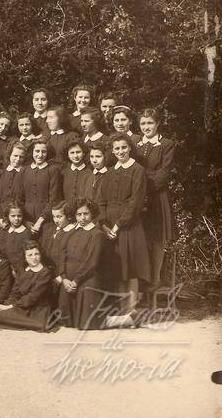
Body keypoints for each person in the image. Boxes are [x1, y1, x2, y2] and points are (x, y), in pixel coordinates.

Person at [98, 133, 150, 322]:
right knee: (118, 268)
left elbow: (135, 203)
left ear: (129, 148)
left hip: (128, 226)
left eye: (123, 147)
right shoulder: (110, 172)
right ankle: (121, 313)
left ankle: (131, 311)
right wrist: (104, 225)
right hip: (109, 228)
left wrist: (118, 225)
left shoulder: (138, 170)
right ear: (112, 151)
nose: (120, 151)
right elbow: (101, 201)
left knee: (131, 268)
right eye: (117, 148)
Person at [137, 108, 176, 289]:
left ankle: (156, 278)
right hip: (137, 196)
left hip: (157, 195)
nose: (146, 127)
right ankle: (143, 278)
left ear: (158, 123)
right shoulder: (136, 143)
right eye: (143, 123)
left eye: (150, 123)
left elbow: (164, 173)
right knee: (141, 236)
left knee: (157, 238)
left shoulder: (166, 144)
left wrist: (143, 187)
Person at [58, 199, 105, 330]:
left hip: (86, 280)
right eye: (79, 214)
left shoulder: (97, 234)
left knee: (88, 323)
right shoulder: (70, 233)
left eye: (86, 214)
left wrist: (76, 281)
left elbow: (92, 262)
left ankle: (125, 319)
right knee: (64, 322)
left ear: (92, 214)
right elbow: (62, 256)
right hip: (68, 281)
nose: (82, 218)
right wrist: (64, 278)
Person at [0, 241, 54, 332]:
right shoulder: (24, 271)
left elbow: (33, 297)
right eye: (30, 255)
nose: (34, 257)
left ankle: (37, 324)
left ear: (40, 255)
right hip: (23, 306)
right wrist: (5, 305)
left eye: (36, 254)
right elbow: (15, 292)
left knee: (0, 316)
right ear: (25, 257)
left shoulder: (45, 272)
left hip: (38, 309)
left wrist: (11, 306)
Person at [22, 140, 61, 245]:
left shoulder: (53, 170)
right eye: (37, 151)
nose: (40, 155)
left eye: (43, 152)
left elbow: (54, 199)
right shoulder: (24, 170)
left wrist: (40, 221)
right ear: (32, 151)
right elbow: (20, 197)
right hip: (27, 219)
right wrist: (25, 221)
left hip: (46, 219)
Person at [0, 141, 27, 229]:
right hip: (1, 219)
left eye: (21, 157)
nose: (18, 159)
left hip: (20, 219)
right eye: (15, 156)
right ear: (9, 155)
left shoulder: (26, 174)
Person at [0, 200, 30, 275]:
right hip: (6, 269)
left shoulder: (26, 233)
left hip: (22, 269)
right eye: (13, 216)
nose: (16, 219)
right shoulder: (4, 232)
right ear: (8, 216)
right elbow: (2, 252)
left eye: (19, 216)